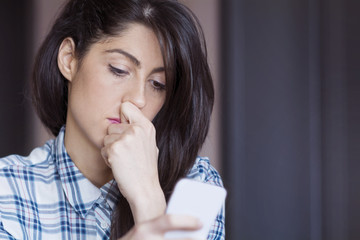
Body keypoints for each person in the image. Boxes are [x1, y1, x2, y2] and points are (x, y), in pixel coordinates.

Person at [0, 0, 225, 239]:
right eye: (119, 69)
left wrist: (147, 198)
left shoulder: (195, 184)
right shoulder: (9, 189)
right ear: (69, 59)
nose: (138, 99)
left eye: (158, 84)